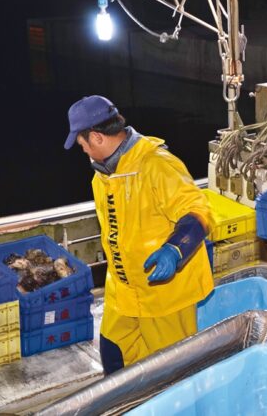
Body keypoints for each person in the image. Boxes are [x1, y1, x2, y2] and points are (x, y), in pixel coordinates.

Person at [64, 95, 214, 374]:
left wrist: (175, 250)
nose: (82, 150)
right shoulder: (103, 175)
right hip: (123, 289)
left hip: (166, 293)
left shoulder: (156, 164)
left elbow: (199, 211)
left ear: (96, 137)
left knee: (171, 372)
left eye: (82, 143)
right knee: (113, 353)